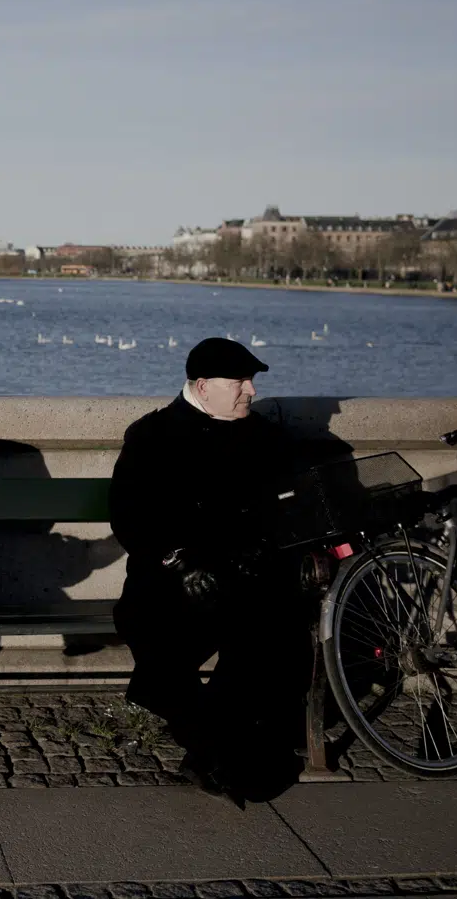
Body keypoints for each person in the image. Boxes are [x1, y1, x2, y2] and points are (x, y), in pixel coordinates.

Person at [109, 337, 310, 797]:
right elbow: (130, 517)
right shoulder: (153, 435)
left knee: (269, 634)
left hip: (247, 581)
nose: (251, 391)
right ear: (202, 386)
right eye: (240, 382)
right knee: (167, 645)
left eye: (251, 382)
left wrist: (284, 553)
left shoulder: (264, 437)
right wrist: (179, 563)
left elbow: (293, 509)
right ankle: (224, 755)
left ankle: (215, 753)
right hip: (169, 585)